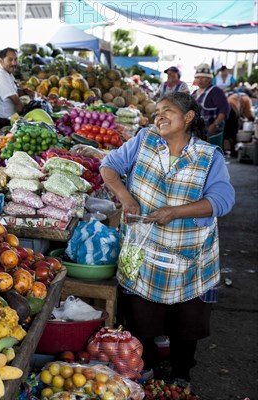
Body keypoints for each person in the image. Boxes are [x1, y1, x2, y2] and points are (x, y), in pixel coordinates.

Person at [100, 91, 235, 389]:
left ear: (188, 118)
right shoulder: (144, 140)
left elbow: (223, 200)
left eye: (168, 111)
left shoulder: (208, 156)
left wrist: (175, 212)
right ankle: (144, 368)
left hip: (189, 256)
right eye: (157, 111)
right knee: (141, 318)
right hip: (144, 252)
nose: (159, 116)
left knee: (187, 323)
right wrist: (126, 199)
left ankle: (181, 373)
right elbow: (108, 167)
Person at [191, 64, 230, 149]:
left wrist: (215, 124)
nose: (200, 80)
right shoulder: (194, 94)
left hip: (212, 132)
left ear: (209, 79)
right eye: (197, 78)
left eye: (203, 77)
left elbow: (224, 109)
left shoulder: (216, 91)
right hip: (197, 132)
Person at [0, 47, 27, 127]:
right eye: (10, 60)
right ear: (1, 61)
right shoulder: (0, 76)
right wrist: (25, 116)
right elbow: (16, 101)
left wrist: (26, 91)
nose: (14, 63)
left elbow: (14, 90)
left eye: (15, 59)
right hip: (4, 121)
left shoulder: (7, 73)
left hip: (10, 118)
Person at [224, 87, 255, 157]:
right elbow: (248, 113)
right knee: (233, 132)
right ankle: (232, 151)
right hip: (232, 111)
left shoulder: (236, 95)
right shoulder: (247, 98)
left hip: (226, 110)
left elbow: (242, 110)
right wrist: (252, 120)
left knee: (226, 131)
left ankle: (225, 150)